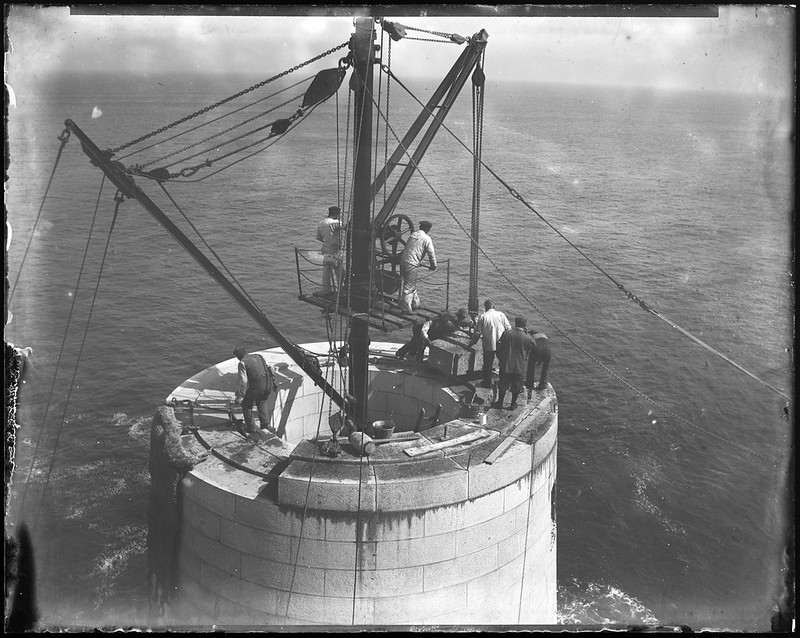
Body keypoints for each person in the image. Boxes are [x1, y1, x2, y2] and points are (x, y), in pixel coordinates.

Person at [492, 316, 534, 410]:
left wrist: (501, 358)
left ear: (516, 323)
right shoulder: (527, 337)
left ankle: (500, 403)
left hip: (506, 364)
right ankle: (512, 404)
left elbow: (499, 347)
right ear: (524, 325)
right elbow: (533, 345)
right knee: (516, 386)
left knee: (503, 385)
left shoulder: (507, 333)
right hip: (519, 367)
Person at [233, 346, 277, 435]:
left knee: (246, 404)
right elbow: (270, 368)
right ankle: (266, 425)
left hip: (258, 387)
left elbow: (243, 381)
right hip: (268, 384)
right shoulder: (258, 356)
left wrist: (240, 395)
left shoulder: (242, 363)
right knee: (262, 401)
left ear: (239, 356)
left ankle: (251, 428)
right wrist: (274, 382)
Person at [469, 299, 511, 388]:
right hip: (501, 343)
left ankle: (486, 383)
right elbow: (508, 329)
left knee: (488, 364)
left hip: (489, 344)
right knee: (503, 364)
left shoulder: (483, 317)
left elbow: (477, 333)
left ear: (485, 307)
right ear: (494, 307)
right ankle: (504, 383)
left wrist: (472, 343)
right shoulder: (501, 314)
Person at [399, 220, 436, 313]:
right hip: (412, 264)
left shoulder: (413, 235)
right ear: (427, 229)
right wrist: (433, 265)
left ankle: (416, 304)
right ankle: (406, 309)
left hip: (403, 262)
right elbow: (431, 253)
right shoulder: (426, 238)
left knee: (411, 283)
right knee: (408, 287)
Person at [316, 205, 342, 295]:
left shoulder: (321, 223)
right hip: (335, 250)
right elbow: (346, 228)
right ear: (335, 214)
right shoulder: (336, 222)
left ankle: (326, 290)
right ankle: (341, 290)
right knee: (339, 270)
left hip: (325, 249)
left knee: (326, 271)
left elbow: (318, 237)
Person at [525, 330, 551, 394]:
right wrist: (540, 360)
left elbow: (528, 348)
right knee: (546, 367)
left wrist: (526, 357)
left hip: (537, 349)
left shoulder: (531, 337)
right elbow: (545, 345)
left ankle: (529, 383)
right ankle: (543, 384)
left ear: (531, 334)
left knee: (531, 365)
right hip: (548, 350)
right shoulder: (543, 335)